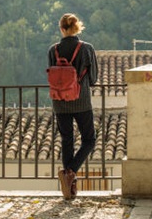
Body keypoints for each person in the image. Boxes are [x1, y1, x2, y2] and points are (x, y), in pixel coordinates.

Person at [47, 13, 98, 200]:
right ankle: (71, 172)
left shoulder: (53, 50)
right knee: (89, 140)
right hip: (81, 100)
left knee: (66, 139)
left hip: (59, 102)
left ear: (61, 28)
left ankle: (69, 189)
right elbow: (93, 78)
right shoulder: (87, 49)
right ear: (78, 28)